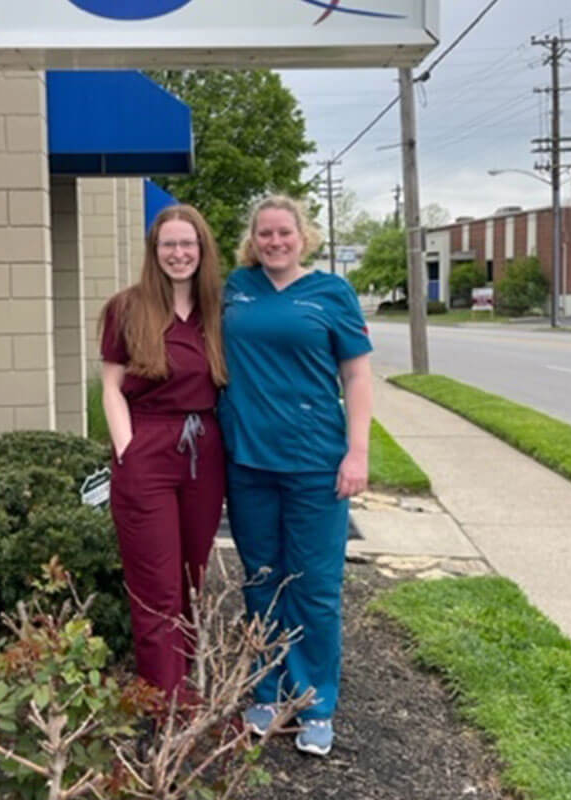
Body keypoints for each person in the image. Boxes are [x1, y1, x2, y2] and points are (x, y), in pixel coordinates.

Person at [217, 195, 373, 756]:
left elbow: (355, 375)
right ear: (253, 240)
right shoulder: (234, 289)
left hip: (315, 462)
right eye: (265, 234)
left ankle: (313, 703)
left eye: (285, 233)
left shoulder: (332, 293)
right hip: (249, 461)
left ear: (302, 237)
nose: (275, 242)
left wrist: (357, 453)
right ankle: (264, 689)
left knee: (315, 584)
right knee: (261, 579)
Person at [99, 204, 227, 696]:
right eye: (169, 244)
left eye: (187, 243)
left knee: (191, 575)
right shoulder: (126, 308)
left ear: (202, 250)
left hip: (204, 452)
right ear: (155, 251)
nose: (179, 253)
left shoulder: (216, 311)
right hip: (148, 446)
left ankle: (184, 677)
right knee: (157, 581)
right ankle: (164, 697)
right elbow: (111, 388)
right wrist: (128, 450)